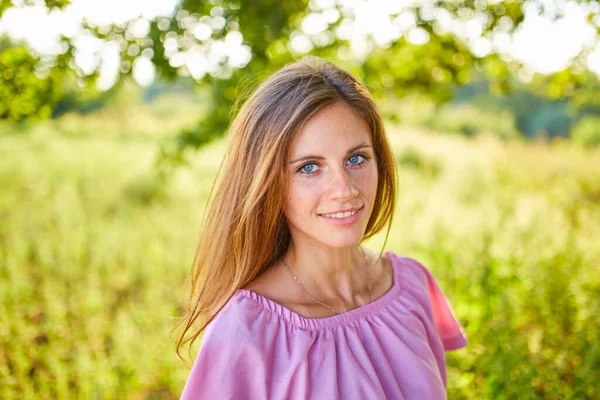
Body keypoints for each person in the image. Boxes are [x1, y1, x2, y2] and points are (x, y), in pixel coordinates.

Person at [177, 56, 467, 399]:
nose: (345, 189)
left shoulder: (412, 287)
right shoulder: (246, 328)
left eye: (356, 158)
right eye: (309, 167)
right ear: (267, 181)